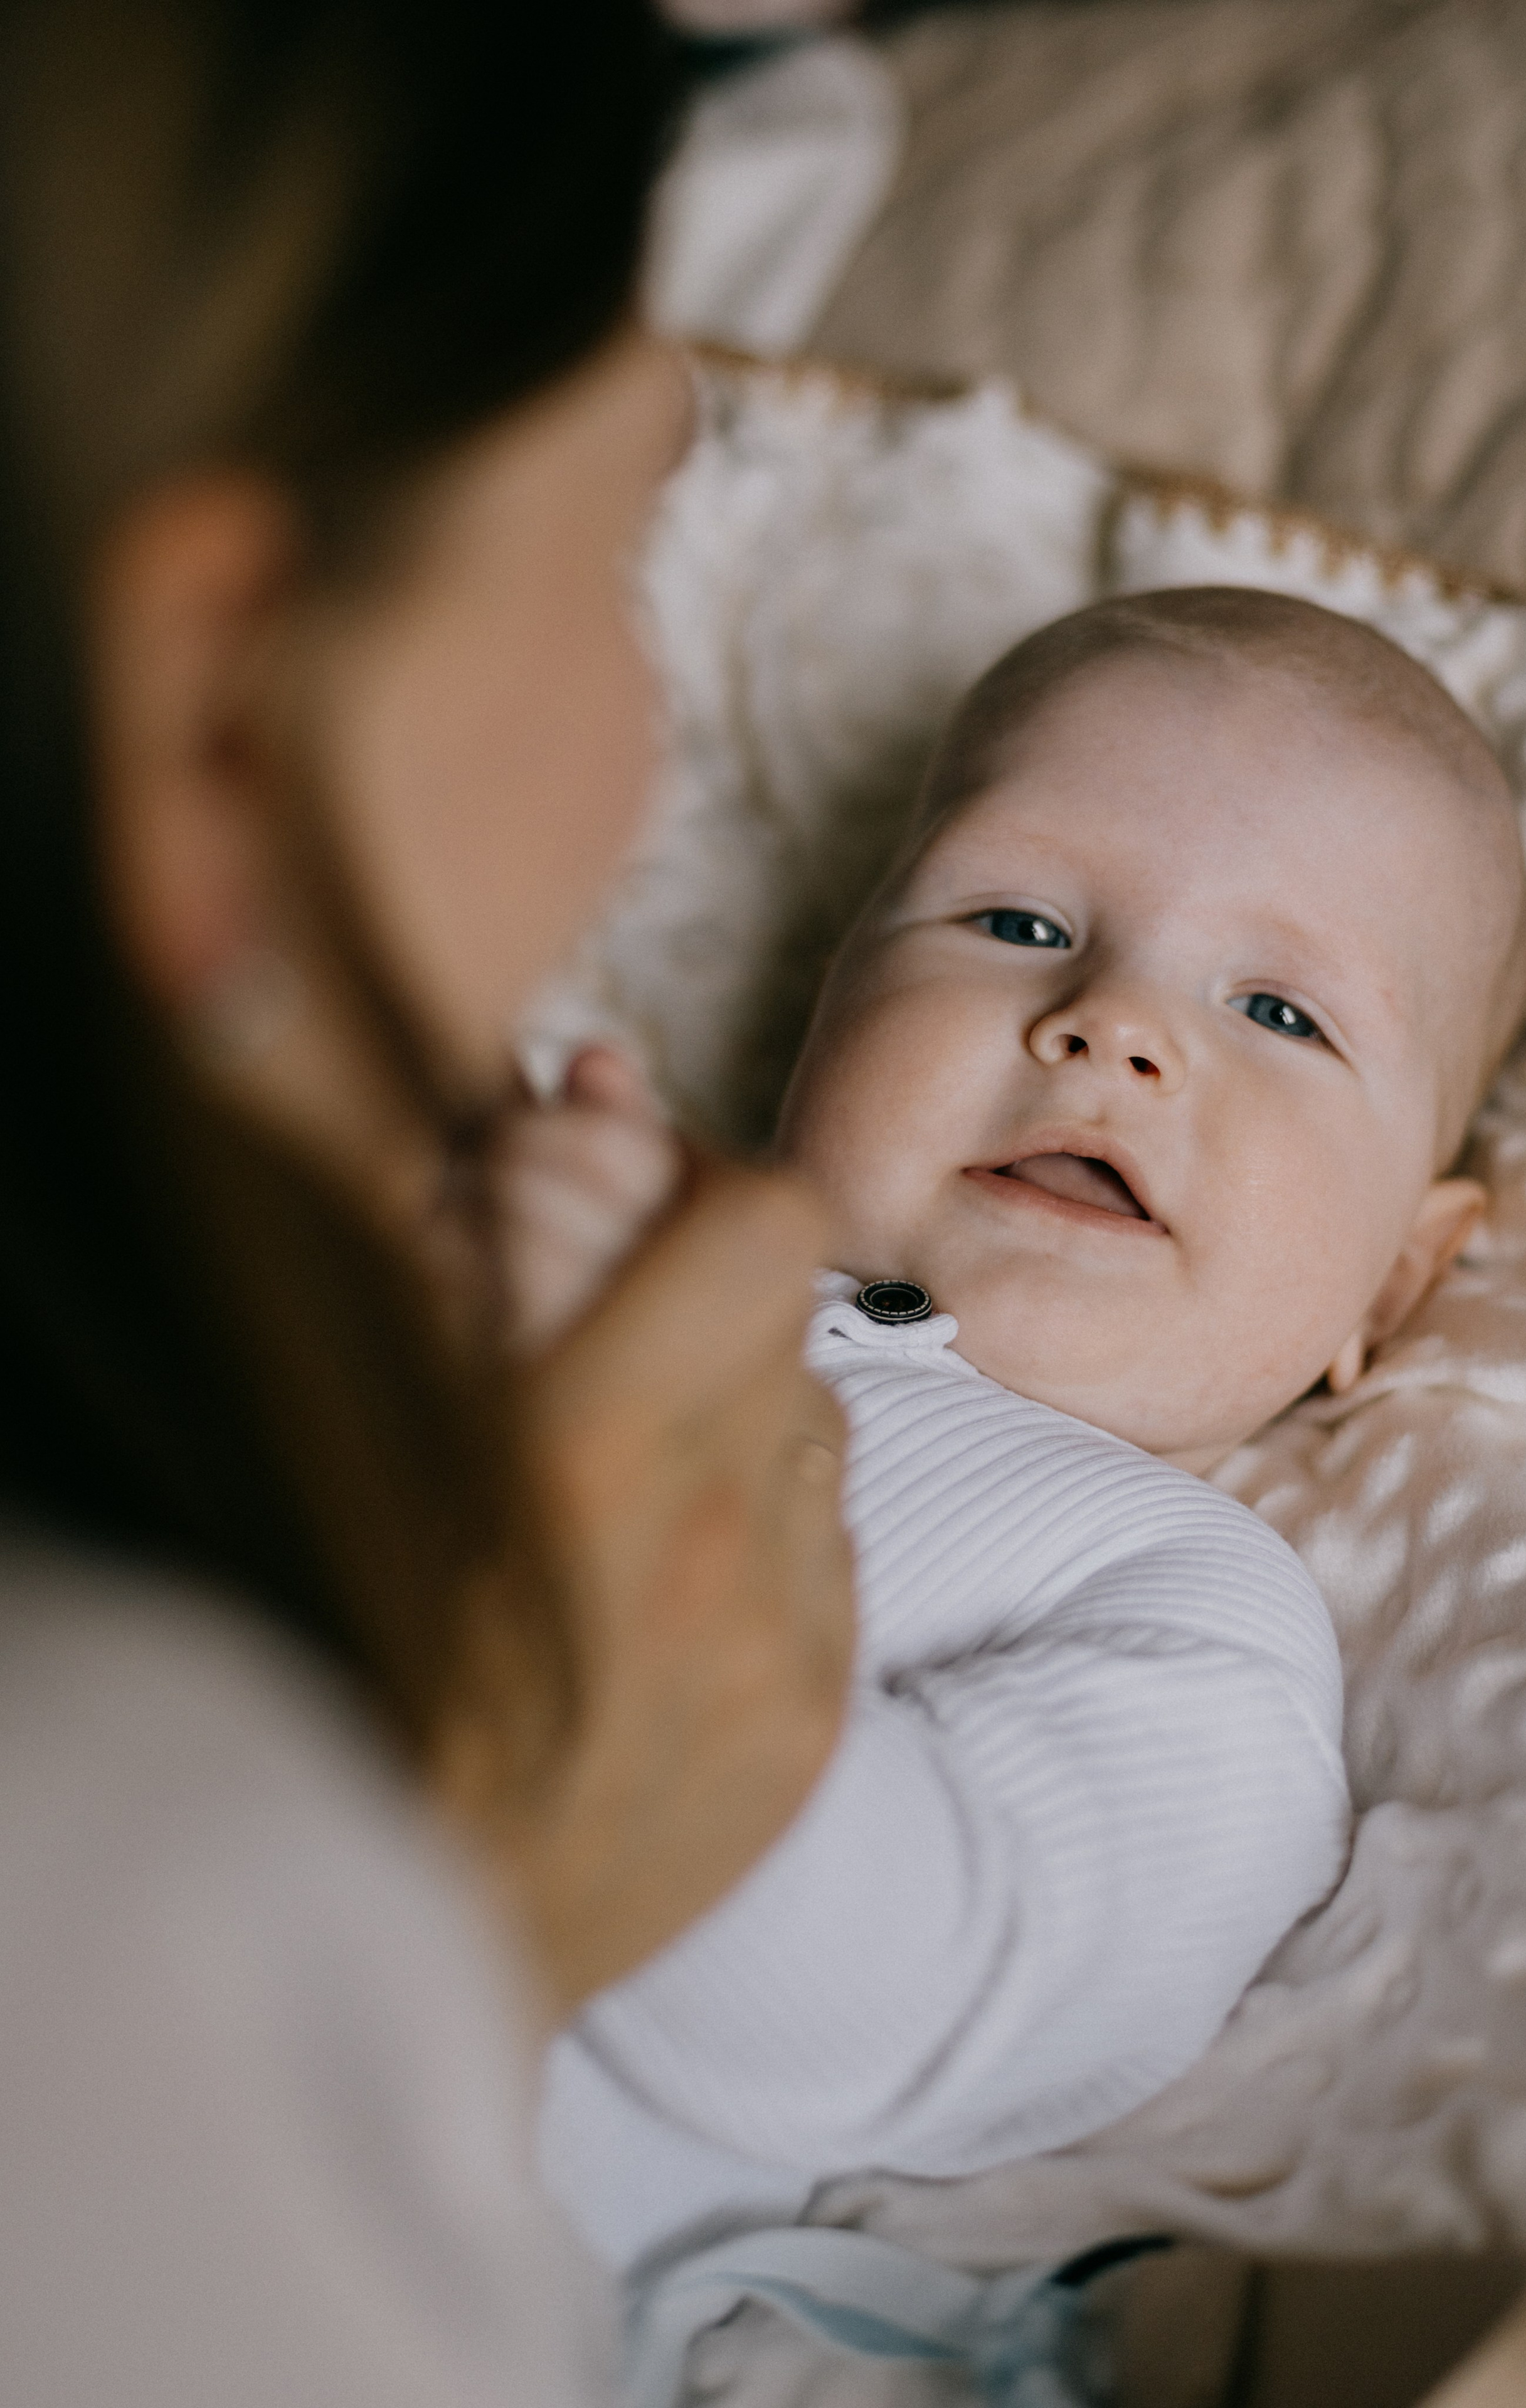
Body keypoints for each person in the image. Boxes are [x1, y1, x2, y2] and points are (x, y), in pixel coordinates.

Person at [0, 5, 856, 2402]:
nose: (648, 733)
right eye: (614, 552)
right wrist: (475, 1903)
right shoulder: (147, 1888)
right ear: (208, 715)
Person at [516, 589, 1526, 2389]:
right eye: (1018, 919)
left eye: (1281, 1010)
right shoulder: (594, 1218)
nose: (1113, 1023)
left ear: (1393, 1282)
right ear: (821, 1020)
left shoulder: (1186, 1602)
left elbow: (875, 2006)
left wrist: (598, 1485)